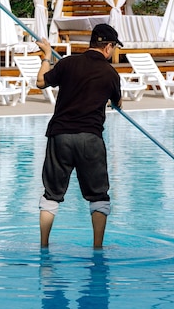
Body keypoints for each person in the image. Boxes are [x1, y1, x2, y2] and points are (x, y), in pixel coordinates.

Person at [35, 23, 123, 248]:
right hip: (90, 139)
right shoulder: (110, 73)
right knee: (99, 196)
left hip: (60, 136)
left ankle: (44, 245)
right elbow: (118, 102)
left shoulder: (68, 63)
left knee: (51, 194)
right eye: (113, 48)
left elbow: (41, 82)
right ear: (108, 47)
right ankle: (97, 247)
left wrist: (46, 56)